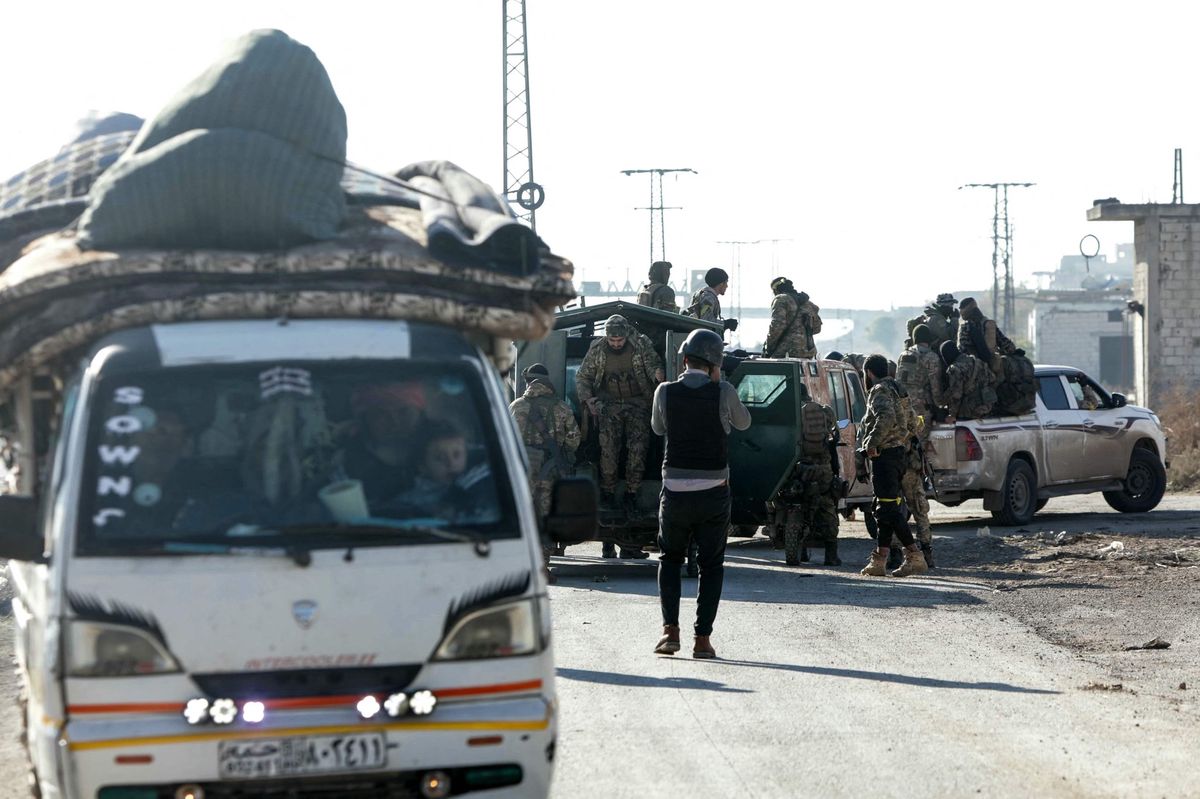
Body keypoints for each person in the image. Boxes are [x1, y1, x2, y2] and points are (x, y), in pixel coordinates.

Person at [650, 328, 750, 659]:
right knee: (711, 565)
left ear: (684, 360)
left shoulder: (664, 391)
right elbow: (744, 423)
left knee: (669, 559)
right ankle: (702, 640)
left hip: (675, 490)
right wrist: (722, 385)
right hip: (713, 493)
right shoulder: (723, 390)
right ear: (715, 363)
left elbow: (657, 428)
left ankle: (670, 633)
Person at [574, 314, 664, 558]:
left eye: (619, 340)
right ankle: (608, 492)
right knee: (608, 450)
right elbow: (582, 377)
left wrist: (658, 375)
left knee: (638, 449)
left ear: (626, 335)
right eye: (612, 340)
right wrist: (587, 399)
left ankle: (633, 494)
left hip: (638, 405)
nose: (615, 344)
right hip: (608, 404)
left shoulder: (641, 344)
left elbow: (655, 365)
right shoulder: (597, 349)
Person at [858, 354, 928, 578]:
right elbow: (913, 422)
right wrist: (900, 439)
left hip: (886, 457)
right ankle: (879, 561)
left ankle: (915, 556)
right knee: (885, 510)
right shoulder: (899, 389)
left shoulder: (879, 390)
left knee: (888, 509)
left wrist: (871, 443)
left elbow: (885, 417)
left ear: (869, 372)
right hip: (899, 455)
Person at [509, 363, 581, 582]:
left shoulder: (516, 406)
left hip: (521, 470)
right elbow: (574, 439)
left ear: (528, 382)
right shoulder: (561, 407)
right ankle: (542, 567)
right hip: (548, 472)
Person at [778, 383, 841, 566]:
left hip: (794, 468)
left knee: (787, 501)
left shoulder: (787, 413)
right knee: (827, 504)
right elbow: (834, 437)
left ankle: (800, 548)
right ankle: (831, 555)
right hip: (821, 468)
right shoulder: (825, 412)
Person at [342, 382, 426, 503]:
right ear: (365, 420)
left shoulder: (446, 445)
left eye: (404, 411)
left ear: (420, 414)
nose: (394, 421)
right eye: (381, 413)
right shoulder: (348, 460)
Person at [957, 296, 1017, 379]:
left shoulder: (964, 327)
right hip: (993, 372)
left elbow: (962, 351)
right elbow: (1008, 346)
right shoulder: (988, 324)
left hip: (974, 373)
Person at [763, 276, 821, 358]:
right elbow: (817, 328)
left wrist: (768, 347)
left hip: (786, 352)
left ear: (776, 290)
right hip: (808, 353)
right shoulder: (809, 304)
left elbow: (777, 326)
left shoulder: (781, 300)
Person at [939, 340, 996, 423]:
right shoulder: (977, 361)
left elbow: (956, 395)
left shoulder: (955, 369)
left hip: (970, 412)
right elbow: (992, 378)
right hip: (988, 407)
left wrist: (952, 415)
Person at [684, 267, 739, 333]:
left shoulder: (704, 294)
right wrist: (726, 324)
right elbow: (706, 320)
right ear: (721, 283)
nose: (727, 286)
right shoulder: (708, 297)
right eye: (726, 282)